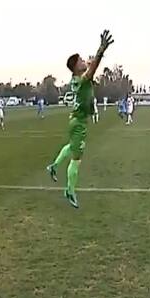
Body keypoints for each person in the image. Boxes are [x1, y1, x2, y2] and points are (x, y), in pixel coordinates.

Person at [46, 30, 114, 208]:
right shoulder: (82, 79)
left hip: (75, 120)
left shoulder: (76, 79)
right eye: (81, 60)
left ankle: (53, 166)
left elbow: (91, 65)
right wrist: (100, 50)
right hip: (79, 124)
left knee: (71, 147)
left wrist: (95, 57)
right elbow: (92, 69)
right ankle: (70, 190)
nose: (84, 61)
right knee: (76, 159)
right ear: (76, 67)